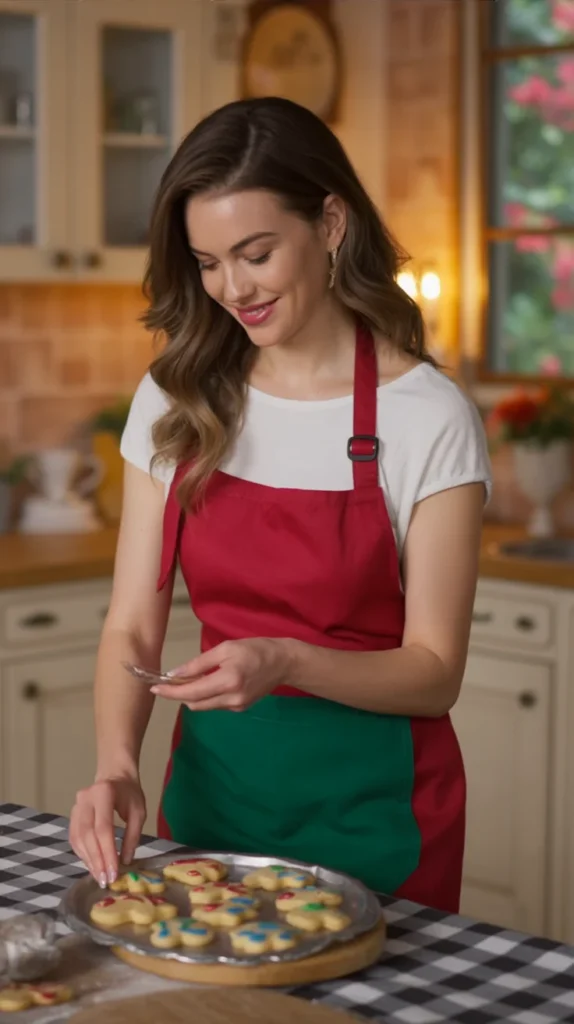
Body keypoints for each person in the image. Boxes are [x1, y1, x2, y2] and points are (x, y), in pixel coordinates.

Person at [69, 97, 491, 913]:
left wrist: (287, 661)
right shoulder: (176, 398)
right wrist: (116, 766)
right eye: (207, 262)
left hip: (379, 832)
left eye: (256, 254)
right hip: (210, 818)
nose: (232, 289)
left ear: (330, 223)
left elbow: (435, 673)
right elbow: (131, 624)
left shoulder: (427, 416)